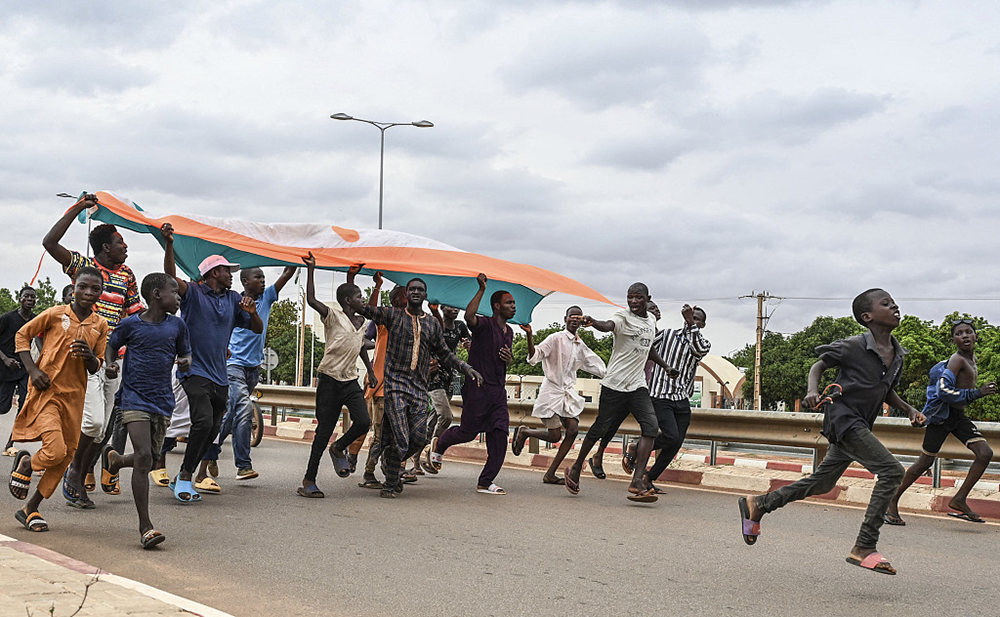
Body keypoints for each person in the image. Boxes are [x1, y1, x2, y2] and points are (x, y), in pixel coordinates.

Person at [738, 289, 926, 575]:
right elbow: (819, 365)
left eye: (894, 302)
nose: (895, 306)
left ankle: (760, 504)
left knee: (823, 483)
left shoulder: (897, 355)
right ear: (868, 316)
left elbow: (886, 391)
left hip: (859, 424)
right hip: (843, 420)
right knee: (892, 471)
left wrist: (910, 409)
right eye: (886, 304)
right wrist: (813, 390)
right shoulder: (853, 346)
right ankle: (864, 545)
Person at [42, 193, 142, 506]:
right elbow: (49, 242)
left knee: (103, 430)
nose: (126, 246)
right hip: (84, 358)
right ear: (105, 248)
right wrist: (77, 209)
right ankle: (73, 470)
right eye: (120, 242)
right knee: (94, 423)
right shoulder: (84, 268)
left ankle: (79, 476)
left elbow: (134, 316)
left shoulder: (127, 275)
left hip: (116, 361)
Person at [160, 223, 262, 502]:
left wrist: (252, 312)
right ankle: (183, 477)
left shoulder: (233, 299)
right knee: (203, 422)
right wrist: (169, 243)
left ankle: (186, 474)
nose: (231, 275)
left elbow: (256, 328)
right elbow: (170, 277)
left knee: (214, 430)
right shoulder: (192, 292)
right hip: (193, 370)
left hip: (221, 376)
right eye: (227, 270)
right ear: (214, 273)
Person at [360, 276, 481, 498]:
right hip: (395, 386)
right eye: (412, 289)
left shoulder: (432, 323)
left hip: (418, 389)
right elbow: (367, 310)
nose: (415, 292)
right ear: (406, 294)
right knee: (402, 437)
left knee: (418, 438)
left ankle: (390, 460)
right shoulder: (392, 315)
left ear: (425, 296)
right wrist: (361, 285)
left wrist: (467, 368)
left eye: (420, 290)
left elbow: (445, 353)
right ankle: (391, 481)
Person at [8, 267, 107, 532]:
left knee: (65, 457)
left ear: (100, 292)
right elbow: (22, 335)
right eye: (83, 286)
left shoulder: (100, 324)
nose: (88, 293)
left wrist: (89, 355)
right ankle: (28, 463)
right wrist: (32, 369)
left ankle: (30, 508)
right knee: (55, 451)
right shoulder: (54, 314)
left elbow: (96, 366)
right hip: (47, 393)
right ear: (73, 287)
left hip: (75, 398)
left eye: (94, 289)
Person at [562, 283, 675, 503]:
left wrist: (666, 366)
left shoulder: (651, 321)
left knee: (651, 428)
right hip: (614, 384)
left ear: (647, 299)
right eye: (630, 298)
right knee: (600, 428)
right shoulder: (622, 317)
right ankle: (576, 467)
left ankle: (637, 480)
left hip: (637, 385)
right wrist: (593, 323)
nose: (633, 302)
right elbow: (607, 325)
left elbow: (648, 347)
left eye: (638, 298)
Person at [102, 273, 191, 547]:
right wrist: (110, 364)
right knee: (142, 456)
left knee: (150, 460)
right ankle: (146, 526)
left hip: (162, 401)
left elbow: (185, 353)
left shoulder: (177, 326)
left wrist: (185, 361)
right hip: (134, 399)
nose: (178, 297)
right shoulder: (131, 325)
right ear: (156, 295)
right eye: (173, 292)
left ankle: (115, 461)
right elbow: (111, 346)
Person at [885, 319, 997, 525]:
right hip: (943, 419)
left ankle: (959, 499)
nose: (964, 336)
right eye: (959, 333)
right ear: (953, 340)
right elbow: (943, 391)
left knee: (985, 453)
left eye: (968, 332)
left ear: (976, 336)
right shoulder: (957, 360)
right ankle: (891, 500)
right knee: (924, 463)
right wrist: (977, 393)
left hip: (958, 418)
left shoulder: (973, 360)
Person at [199, 265, 295, 485]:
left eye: (263, 277)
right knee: (243, 408)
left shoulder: (268, 297)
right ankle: (243, 466)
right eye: (257, 277)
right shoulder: (234, 302)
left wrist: (297, 253)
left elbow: (287, 273)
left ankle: (210, 450)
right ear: (244, 281)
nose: (262, 281)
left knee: (231, 413)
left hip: (254, 368)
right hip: (233, 365)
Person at [298, 254, 376, 498]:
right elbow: (311, 299)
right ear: (347, 301)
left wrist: (371, 372)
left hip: (350, 380)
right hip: (330, 379)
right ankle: (309, 480)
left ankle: (339, 447)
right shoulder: (333, 316)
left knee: (364, 422)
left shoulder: (362, 321)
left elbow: (361, 346)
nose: (362, 301)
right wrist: (312, 270)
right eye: (358, 297)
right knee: (323, 432)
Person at [430, 274, 510, 495]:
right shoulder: (484, 324)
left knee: (500, 434)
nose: (513, 306)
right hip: (477, 388)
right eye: (509, 303)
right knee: (468, 432)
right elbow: (470, 316)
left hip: (497, 392)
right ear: (497, 306)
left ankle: (486, 481)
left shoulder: (509, 332)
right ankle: (440, 444)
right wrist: (481, 289)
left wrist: (508, 359)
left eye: (513, 303)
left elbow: (504, 357)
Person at [510, 306, 606, 484]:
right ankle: (525, 431)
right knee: (555, 436)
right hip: (551, 392)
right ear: (565, 319)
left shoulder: (580, 345)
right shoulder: (555, 338)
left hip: (567, 393)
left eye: (578, 317)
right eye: (572, 316)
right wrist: (529, 335)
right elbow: (535, 356)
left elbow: (596, 365)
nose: (575, 319)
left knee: (573, 430)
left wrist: (612, 377)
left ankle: (550, 473)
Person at [638, 303, 710, 494]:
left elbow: (699, 350)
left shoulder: (701, 342)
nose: (692, 320)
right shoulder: (668, 334)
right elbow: (648, 346)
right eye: (691, 316)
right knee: (670, 436)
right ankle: (637, 450)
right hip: (660, 394)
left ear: (702, 325)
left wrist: (691, 325)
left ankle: (648, 477)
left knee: (676, 442)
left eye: (697, 319)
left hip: (681, 396)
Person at [589, 300, 661, 478]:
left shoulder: (656, 333)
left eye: (656, 308)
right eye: (652, 308)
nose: (655, 311)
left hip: (643, 386)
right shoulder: (631, 328)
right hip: (622, 384)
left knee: (652, 428)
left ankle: (638, 462)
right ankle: (598, 455)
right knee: (612, 424)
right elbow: (609, 325)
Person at [356, 281, 407, 490]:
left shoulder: (412, 324)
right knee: (380, 433)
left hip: (401, 388)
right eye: (405, 295)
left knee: (398, 434)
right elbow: (371, 311)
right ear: (395, 301)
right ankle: (369, 471)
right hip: (381, 387)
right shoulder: (385, 321)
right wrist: (377, 286)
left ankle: (391, 469)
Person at [420, 303, 470, 475]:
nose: (456, 310)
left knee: (433, 419)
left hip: (450, 376)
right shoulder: (432, 322)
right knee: (446, 416)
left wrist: (469, 346)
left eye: (458, 307)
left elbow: (469, 344)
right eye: (451, 307)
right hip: (433, 376)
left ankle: (417, 456)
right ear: (441, 307)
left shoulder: (460, 326)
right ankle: (434, 451)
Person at [1, 287, 38, 456]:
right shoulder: (7, 319)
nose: (30, 299)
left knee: (23, 406)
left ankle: (9, 444)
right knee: (3, 407)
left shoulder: (36, 320)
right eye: (26, 296)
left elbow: (39, 342)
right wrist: (5, 359)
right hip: (5, 368)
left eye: (33, 297)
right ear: (20, 299)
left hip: (24, 369)